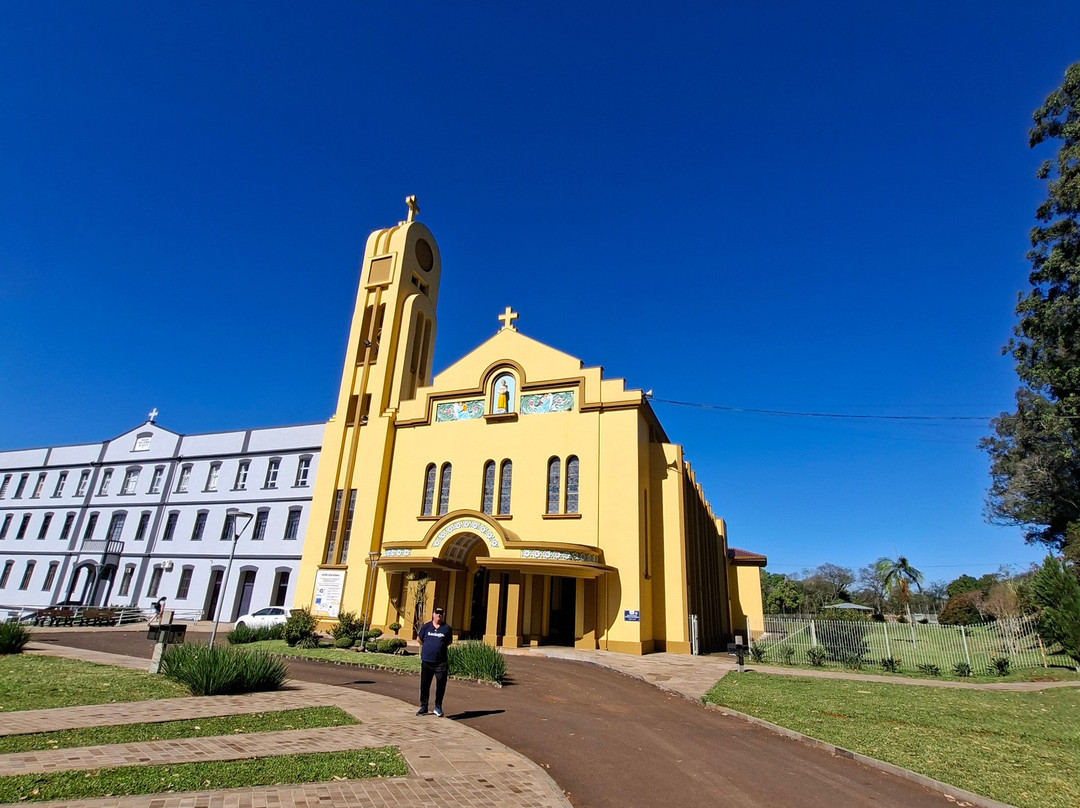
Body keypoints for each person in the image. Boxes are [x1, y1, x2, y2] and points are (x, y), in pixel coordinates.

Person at [416, 606, 452, 717]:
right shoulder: (426, 626)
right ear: (433, 614)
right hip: (427, 661)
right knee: (425, 684)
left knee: (441, 685)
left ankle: (438, 706)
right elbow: (419, 639)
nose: (439, 615)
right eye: (437, 613)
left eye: (441, 613)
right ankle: (424, 706)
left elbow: (449, 641)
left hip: (441, 663)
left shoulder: (446, 628)